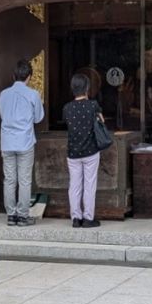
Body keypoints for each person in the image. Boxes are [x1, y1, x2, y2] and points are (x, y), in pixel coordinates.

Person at [0, 58, 44, 226]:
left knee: (9, 179)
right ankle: (23, 215)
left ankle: (11, 214)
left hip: (7, 141)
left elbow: (3, 115)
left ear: (13, 75)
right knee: (24, 180)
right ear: (29, 76)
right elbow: (38, 118)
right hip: (24, 141)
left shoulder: (3, 94)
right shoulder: (33, 95)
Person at [63, 73, 104, 228]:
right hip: (91, 151)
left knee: (74, 184)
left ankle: (75, 218)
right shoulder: (93, 106)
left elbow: (67, 123)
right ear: (87, 88)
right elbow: (102, 121)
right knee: (89, 184)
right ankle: (88, 218)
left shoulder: (67, 108)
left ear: (73, 89)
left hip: (73, 152)